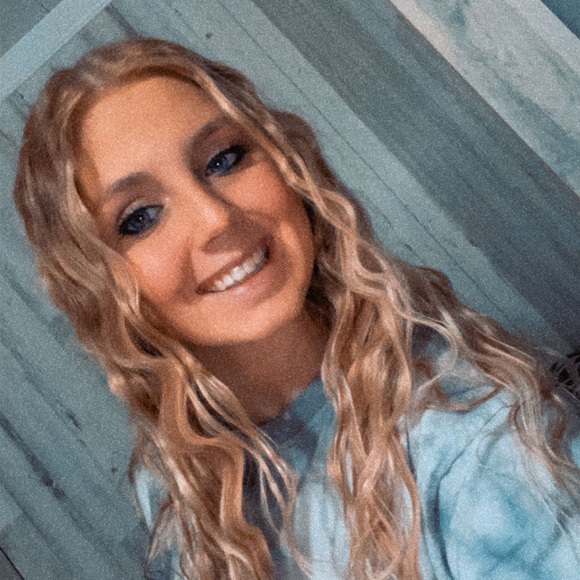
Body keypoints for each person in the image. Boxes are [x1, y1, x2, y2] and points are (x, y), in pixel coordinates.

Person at [13, 37, 580, 579]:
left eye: (223, 159)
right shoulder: (180, 480)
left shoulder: (478, 446)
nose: (215, 219)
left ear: (289, 164)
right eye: (140, 218)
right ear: (97, 284)